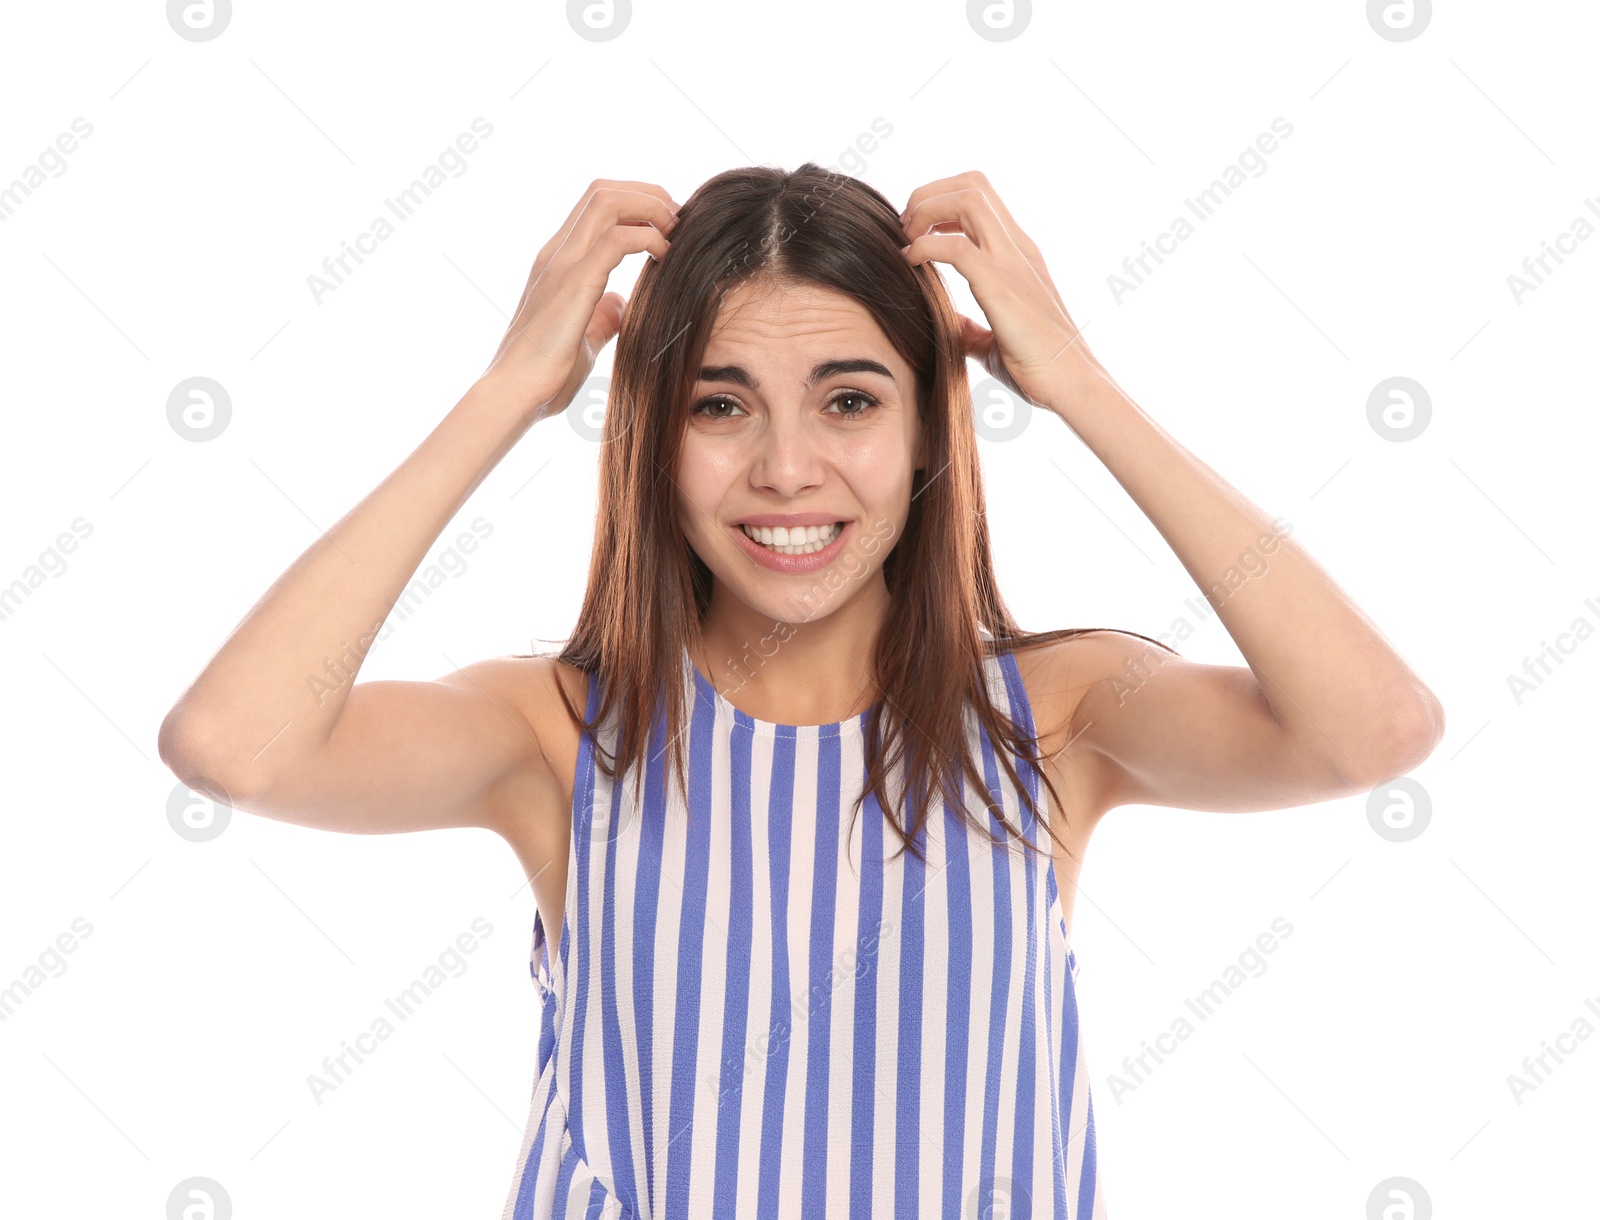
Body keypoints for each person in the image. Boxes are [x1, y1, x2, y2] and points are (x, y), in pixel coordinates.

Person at [158, 164, 1445, 1220]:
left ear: (932, 422)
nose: (787, 468)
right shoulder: (558, 738)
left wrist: (1080, 384)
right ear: (654, 437)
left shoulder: (1052, 718)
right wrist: (507, 392)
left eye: (849, 399)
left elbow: (1371, 727)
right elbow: (234, 745)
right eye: (722, 405)